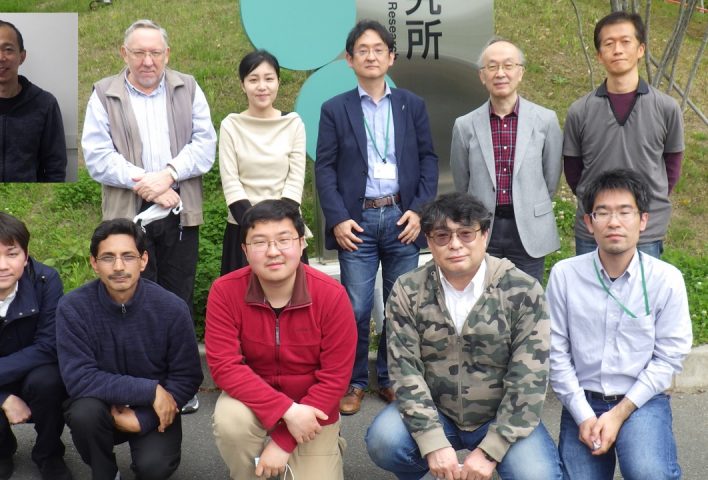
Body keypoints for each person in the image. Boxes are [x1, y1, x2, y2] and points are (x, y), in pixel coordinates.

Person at [366, 192, 562, 480]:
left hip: (499, 415)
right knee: (385, 440)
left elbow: (528, 380)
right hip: (437, 411)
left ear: (484, 235)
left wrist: (490, 451)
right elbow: (405, 372)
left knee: (537, 475)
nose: (455, 244)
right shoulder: (408, 290)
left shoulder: (522, 290)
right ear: (429, 241)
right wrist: (433, 443)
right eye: (442, 236)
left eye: (466, 234)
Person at [81, 18, 216, 413]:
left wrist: (168, 175)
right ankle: (143, 387)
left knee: (177, 298)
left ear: (167, 54)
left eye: (155, 52)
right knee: (134, 297)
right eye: (138, 52)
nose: (147, 60)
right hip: (129, 216)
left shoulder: (187, 87)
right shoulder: (104, 94)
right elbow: (97, 157)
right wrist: (148, 183)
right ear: (124, 54)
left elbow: (205, 145)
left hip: (179, 210)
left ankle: (182, 385)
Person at [315, 19, 438, 415]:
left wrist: (419, 211)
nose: (371, 56)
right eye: (362, 50)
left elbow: (429, 159)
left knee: (399, 305)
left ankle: (389, 378)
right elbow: (325, 168)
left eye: (378, 49)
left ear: (391, 57)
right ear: (350, 60)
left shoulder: (411, 105)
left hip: (402, 218)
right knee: (354, 307)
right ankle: (352, 382)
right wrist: (337, 218)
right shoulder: (335, 109)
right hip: (358, 221)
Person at [547, 169, 692, 479]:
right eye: (603, 213)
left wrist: (619, 413)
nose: (614, 222)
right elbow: (555, 353)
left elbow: (669, 355)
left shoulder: (666, 279)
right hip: (582, 400)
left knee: (648, 471)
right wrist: (584, 416)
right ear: (589, 222)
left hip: (642, 400)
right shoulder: (564, 275)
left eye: (625, 212)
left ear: (643, 220)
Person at [206, 200, 356, 479]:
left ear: (301, 243)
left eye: (284, 240)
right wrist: (286, 410)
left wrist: (283, 442)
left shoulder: (331, 295)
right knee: (231, 422)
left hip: (312, 410)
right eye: (260, 242)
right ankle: (249, 472)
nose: (273, 251)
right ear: (245, 250)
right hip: (253, 402)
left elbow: (335, 378)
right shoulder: (225, 291)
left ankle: (325, 448)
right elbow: (225, 366)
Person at [56, 219, 203, 480]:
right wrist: (149, 390)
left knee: (154, 468)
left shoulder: (172, 308)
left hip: (155, 409)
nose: (118, 267)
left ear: (143, 261)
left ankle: (148, 456)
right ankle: (106, 472)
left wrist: (145, 418)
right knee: (83, 414)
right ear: (94, 263)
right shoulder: (73, 308)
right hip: (101, 407)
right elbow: (79, 378)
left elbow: (187, 376)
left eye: (128, 256)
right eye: (108, 257)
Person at [563, 11, 684, 258]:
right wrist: (598, 205)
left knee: (642, 285)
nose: (617, 50)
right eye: (609, 43)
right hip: (593, 230)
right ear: (599, 55)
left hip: (646, 230)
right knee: (589, 285)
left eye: (625, 42)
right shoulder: (580, 111)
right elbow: (574, 172)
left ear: (640, 49)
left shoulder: (666, 108)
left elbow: (672, 167)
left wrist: (644, 202)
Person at [450, 38, 562, 283]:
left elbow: (551, 177)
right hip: (482, 227)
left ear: (520, 72)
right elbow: (462, 181)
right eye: (492, 66)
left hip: (528, 227)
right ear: (482, 76)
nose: (500, 73)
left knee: (527, 297)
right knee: (482, 296)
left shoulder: (545, 120)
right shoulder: (465, 125)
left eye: (508, 65)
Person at [219, 49, 307, 274]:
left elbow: (295, 180)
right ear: (242, 85)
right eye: (253, 80)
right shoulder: (231, 125)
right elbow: (231, 182)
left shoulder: (293, 123)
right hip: (243, 228)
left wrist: (278, 227)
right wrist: (255, 227)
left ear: (278, 82)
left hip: (286, 229)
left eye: (269, 79)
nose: (262, 86)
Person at [0, 213, 71, 480]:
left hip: (34, 369)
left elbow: (50, 345)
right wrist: (3, 397)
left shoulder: (45, 280)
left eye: (11, 254)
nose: (2, 265)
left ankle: (49, 453)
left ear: (26, 255)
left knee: (49, 381)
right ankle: (2, 450)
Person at [0, 20, 67, 182]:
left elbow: (55, 167)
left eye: (8, 49)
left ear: (22, 57)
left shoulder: (45, 104)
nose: (1, 58)